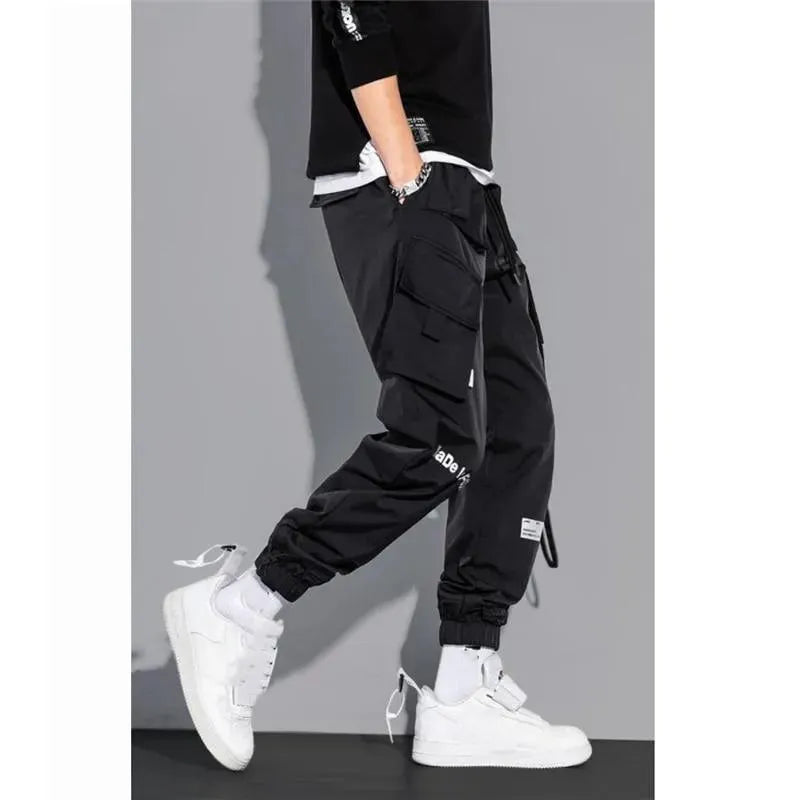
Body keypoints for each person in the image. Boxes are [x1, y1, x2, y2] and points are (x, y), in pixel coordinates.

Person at [164, 1, 591, 772]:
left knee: (516, 430)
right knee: (438, 441)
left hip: (462, 180)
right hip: (402, 172)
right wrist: (406, 165)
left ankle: (463, 687)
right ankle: (244, 605)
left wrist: (444, 177)